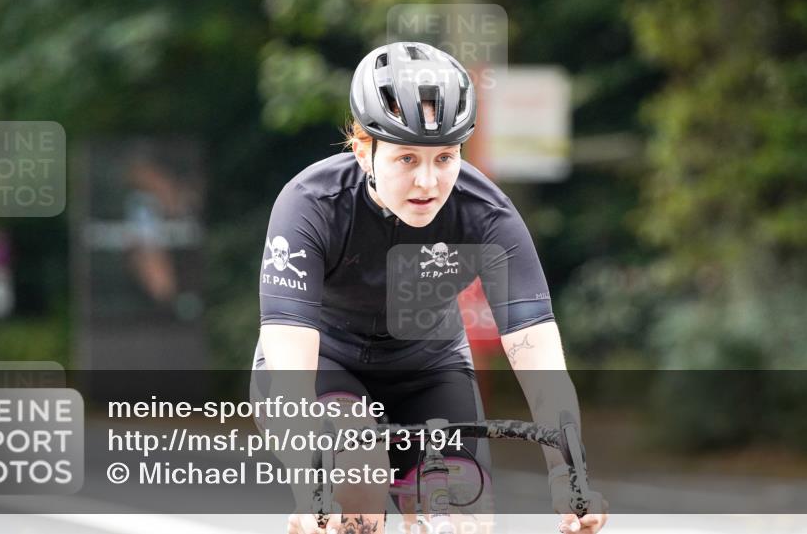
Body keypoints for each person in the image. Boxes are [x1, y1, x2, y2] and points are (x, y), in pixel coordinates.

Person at [252, 42, 608, 534]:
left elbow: (538, 353)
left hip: (429, 368)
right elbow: (291, 359)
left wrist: (568, 476)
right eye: (406, 159)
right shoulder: (311, 204)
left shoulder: (485, 213)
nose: (428, 182)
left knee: (462, 515)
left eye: (445, 157)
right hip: (326, 367)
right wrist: (311, 484)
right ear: (363, 151)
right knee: (356, 476)